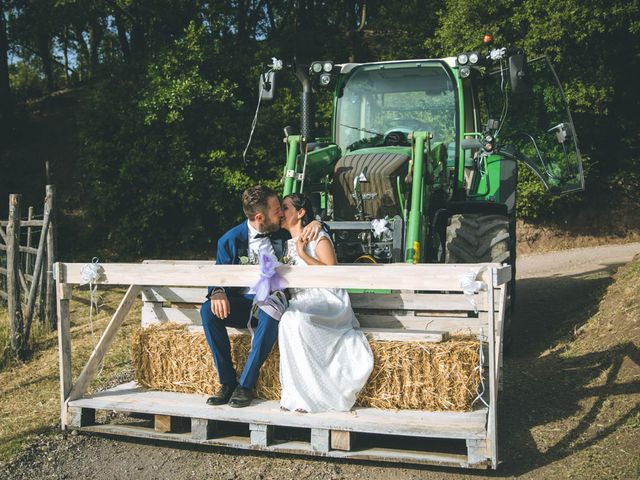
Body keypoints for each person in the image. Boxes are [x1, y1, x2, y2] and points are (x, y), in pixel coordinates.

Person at [200, 185, 321, 408]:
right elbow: (219, 275)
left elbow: (317, 236)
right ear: (259, 217)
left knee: (269, 309)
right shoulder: (230, 240)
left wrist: (316, 222)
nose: (281, 214)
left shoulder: (281, 231)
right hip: (244, 303)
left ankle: (245, 385)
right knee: (207, 311)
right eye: (276, 210)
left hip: (274, 300)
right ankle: (227, 382)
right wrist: (217, 292)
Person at [278, 193, 374, 413]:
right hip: (302, 300)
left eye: (285, 208)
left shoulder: (317, 236)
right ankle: (296, 395)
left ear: (300, 212)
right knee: (287, 322)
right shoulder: (282, 244)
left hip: (328, 298)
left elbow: (332, 274)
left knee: (299, 321)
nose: (280, 213)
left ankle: (316, 396)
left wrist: (303, 253)